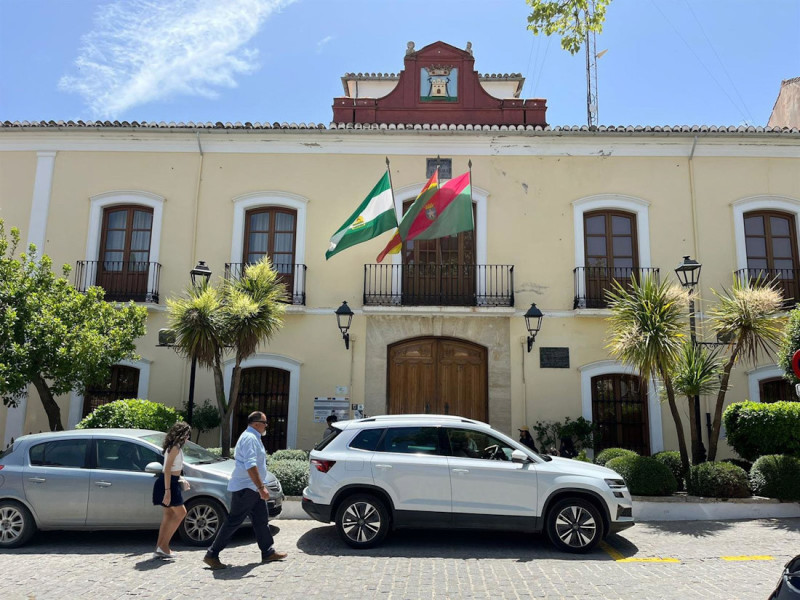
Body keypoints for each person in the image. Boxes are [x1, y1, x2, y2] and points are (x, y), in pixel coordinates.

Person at [203, 412, 287, 570]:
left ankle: (267, 551)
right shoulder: (249, 438)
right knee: (234, 521)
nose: (266, 425)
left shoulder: (253, 437)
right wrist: (261, 488)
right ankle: (212, 554)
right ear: (256, 423)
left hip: (252, 488)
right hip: (246, 489)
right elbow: (251, 465)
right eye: (264, 422)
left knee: (261, 520)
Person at [152, 421, 191, 559]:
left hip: (171, 482)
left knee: (168, 515)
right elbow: (167, 469)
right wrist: (168, 491)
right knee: (181, 513)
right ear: (182, 435)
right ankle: (164, 546)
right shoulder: (175, 448)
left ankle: (160, 548)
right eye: (187, 435)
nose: (188, 438)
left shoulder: (174, 447)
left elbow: (173, 469)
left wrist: (181, 479)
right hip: (168, 483)